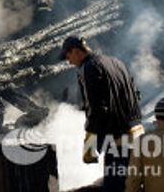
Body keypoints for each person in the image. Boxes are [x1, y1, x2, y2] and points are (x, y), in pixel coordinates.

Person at [61, 35, 144, 192]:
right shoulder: (117, 63)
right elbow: (136, 94)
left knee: (115, 187)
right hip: (138, 135)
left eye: (68, 56)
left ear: (77, 51)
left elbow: (97, 108)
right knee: (135, 185)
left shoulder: (89, 67)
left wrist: (91, 144)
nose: (69, 61)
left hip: (118, 141)